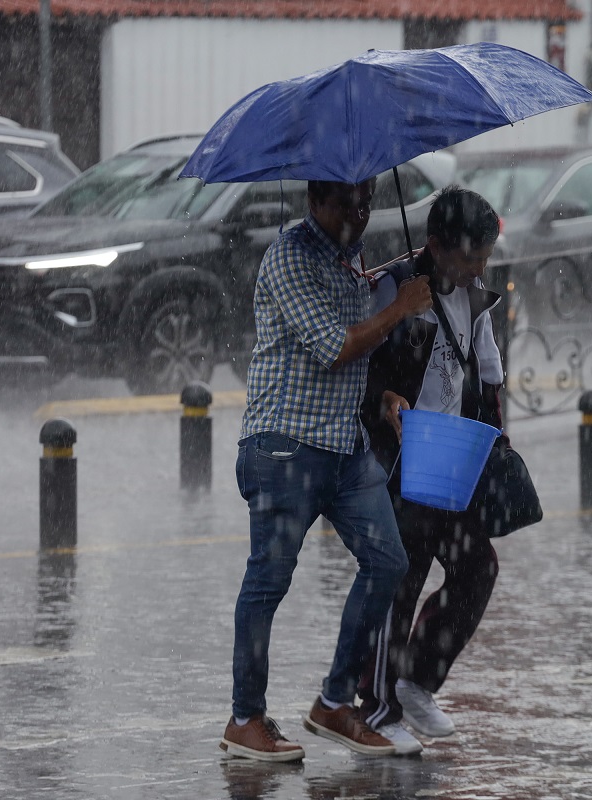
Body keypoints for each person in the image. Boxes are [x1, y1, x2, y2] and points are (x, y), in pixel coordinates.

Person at [219, 177, 434, 762]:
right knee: (269, 579)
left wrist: (385, 394)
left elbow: (358, 358)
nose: (360, 213)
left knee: (388, 560)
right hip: (286, 446)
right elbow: (335, 345)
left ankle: (335, 702)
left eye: (367, 201)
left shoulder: (350, 257)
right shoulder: (290, 256)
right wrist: (399, 307)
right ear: (315, 201)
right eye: (346, 203)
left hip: (345, 446)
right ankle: (245, 718)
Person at [356, 186, 504, 749]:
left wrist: (492, 440)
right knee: (403, 575)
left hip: (450, 457)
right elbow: (357, 369)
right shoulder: (393, 290)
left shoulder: (474, 298)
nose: (480, 268)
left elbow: (488, 376)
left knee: (477, 568)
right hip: (397, 460)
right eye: (471, 258)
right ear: (437, 247)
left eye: (486, 257)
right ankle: (379, 708)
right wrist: (384, 397)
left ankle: (418, 680)